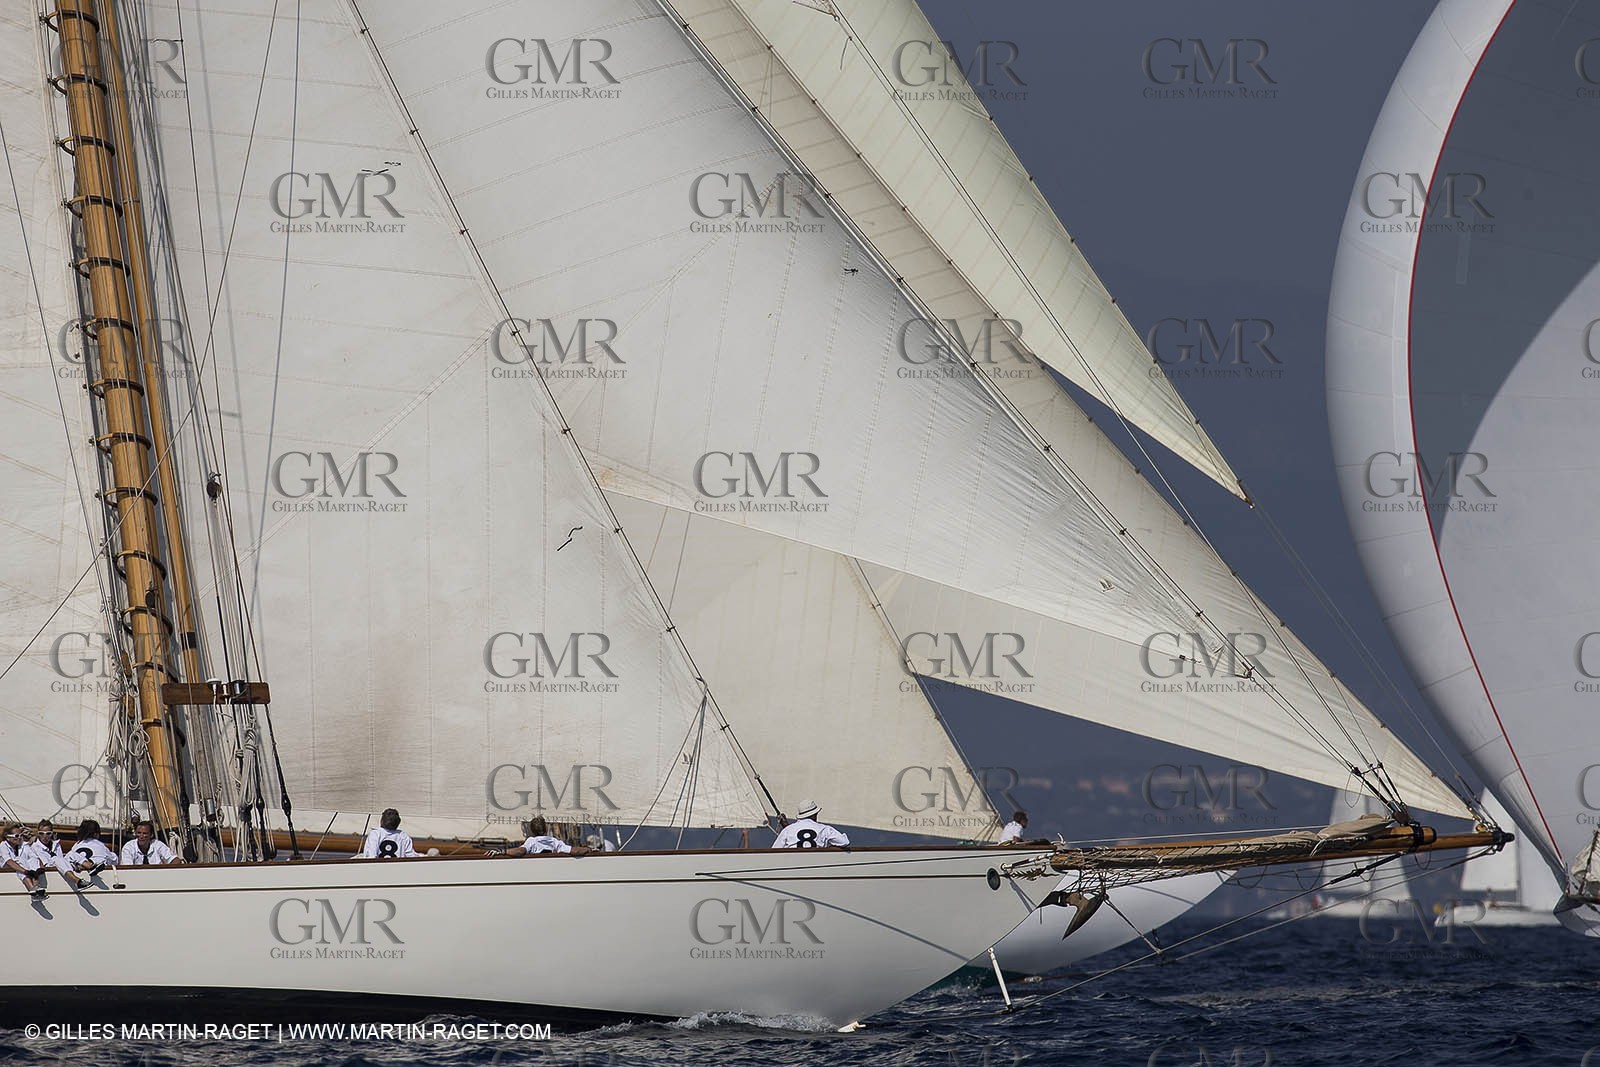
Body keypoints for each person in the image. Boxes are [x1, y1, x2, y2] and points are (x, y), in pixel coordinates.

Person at [486, 815, 590, 857]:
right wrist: (588, 849)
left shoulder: (531, 841)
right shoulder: (554, 841)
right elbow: (574, 851)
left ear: (531, 830)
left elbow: (520, 851)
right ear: (546, 829)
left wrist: (502, 852)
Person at [63, 819, 117, 888]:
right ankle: (91, 866)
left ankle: (83, 866)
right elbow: (114, 860)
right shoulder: (100, 845)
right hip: (98, 873)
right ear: (96, 834)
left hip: (78, 874)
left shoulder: (77, 845)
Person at [772, 800, 849, 849]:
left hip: (791, 865)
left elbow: (774, 850)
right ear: (814, 814)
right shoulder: (824, 829)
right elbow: (845, 842)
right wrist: (828, 849)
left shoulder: (788, 830)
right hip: (817, 865)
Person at [20, 821, 65, 897]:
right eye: (41, 833)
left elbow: (61, 860)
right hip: (43, 876)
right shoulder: (33, 846)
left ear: (52, 833)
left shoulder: (56, 845)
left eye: (48, 833)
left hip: (58, 878)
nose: (45, 836)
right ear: (38, 834)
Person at [1, 824, 43, 899]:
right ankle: (31, 888)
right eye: (17, 836)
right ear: (8, 837)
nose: (19, 838)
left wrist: (39, 869)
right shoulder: (3, 846)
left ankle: (36, 886)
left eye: (21, 835)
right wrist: (26, 871)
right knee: (19, 861)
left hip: (21, 868)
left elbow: (34, 856)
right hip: (8, 868)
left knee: (32, 859)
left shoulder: (24, 844)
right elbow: (9, 861)